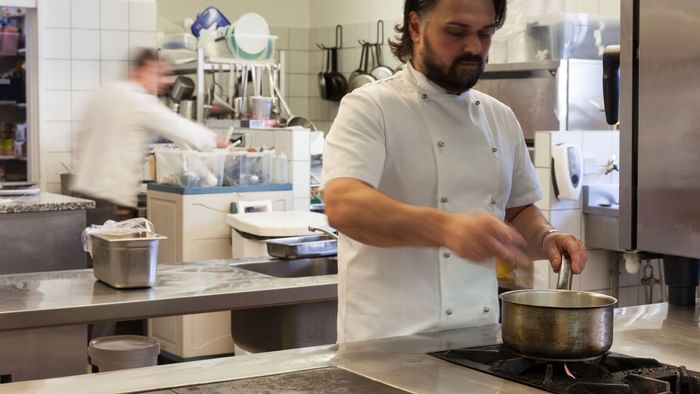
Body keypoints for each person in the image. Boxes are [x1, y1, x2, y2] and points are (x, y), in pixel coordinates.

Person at [321, 0, 588, 343]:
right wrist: (447, 228)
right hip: (386, 348)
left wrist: (547, 237)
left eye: (485, 33)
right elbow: (344, 206)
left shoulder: (500, 117)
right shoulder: (370, 107)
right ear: (415, 28)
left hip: (480, 343)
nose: (474, 48)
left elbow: (518, 210)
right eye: (457, 32)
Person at [72, 48, 226, 223]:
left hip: (87, 192)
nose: (162, 81)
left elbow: (80, 138)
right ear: (142, 70)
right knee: (114, 248)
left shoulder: (104, 92)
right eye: (158, 74)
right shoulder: (136, 99)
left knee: (92, 245)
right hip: (111, 196)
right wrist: (215, 140)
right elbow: (174, 124)